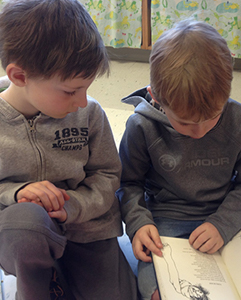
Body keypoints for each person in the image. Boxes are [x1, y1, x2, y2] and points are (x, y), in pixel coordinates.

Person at [116, 19, 241, 300]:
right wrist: (138, 223)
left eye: (213, 118)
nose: (199, 132)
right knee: (157, 292)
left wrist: (223, 223)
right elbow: (127, 183)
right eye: (184, 123)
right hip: (167, 221)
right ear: (155, 96)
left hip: (231, 214)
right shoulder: (141, 127)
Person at [0, 0, 138, 299]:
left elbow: (108, 175)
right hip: (27, 233)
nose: (82, 101)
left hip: (89, 231)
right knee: (26, 226)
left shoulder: (90, 114)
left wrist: (71, 206)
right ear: (20, 76)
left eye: (86, 88)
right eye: (71, 91)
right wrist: (16, 193)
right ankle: (33, 277)